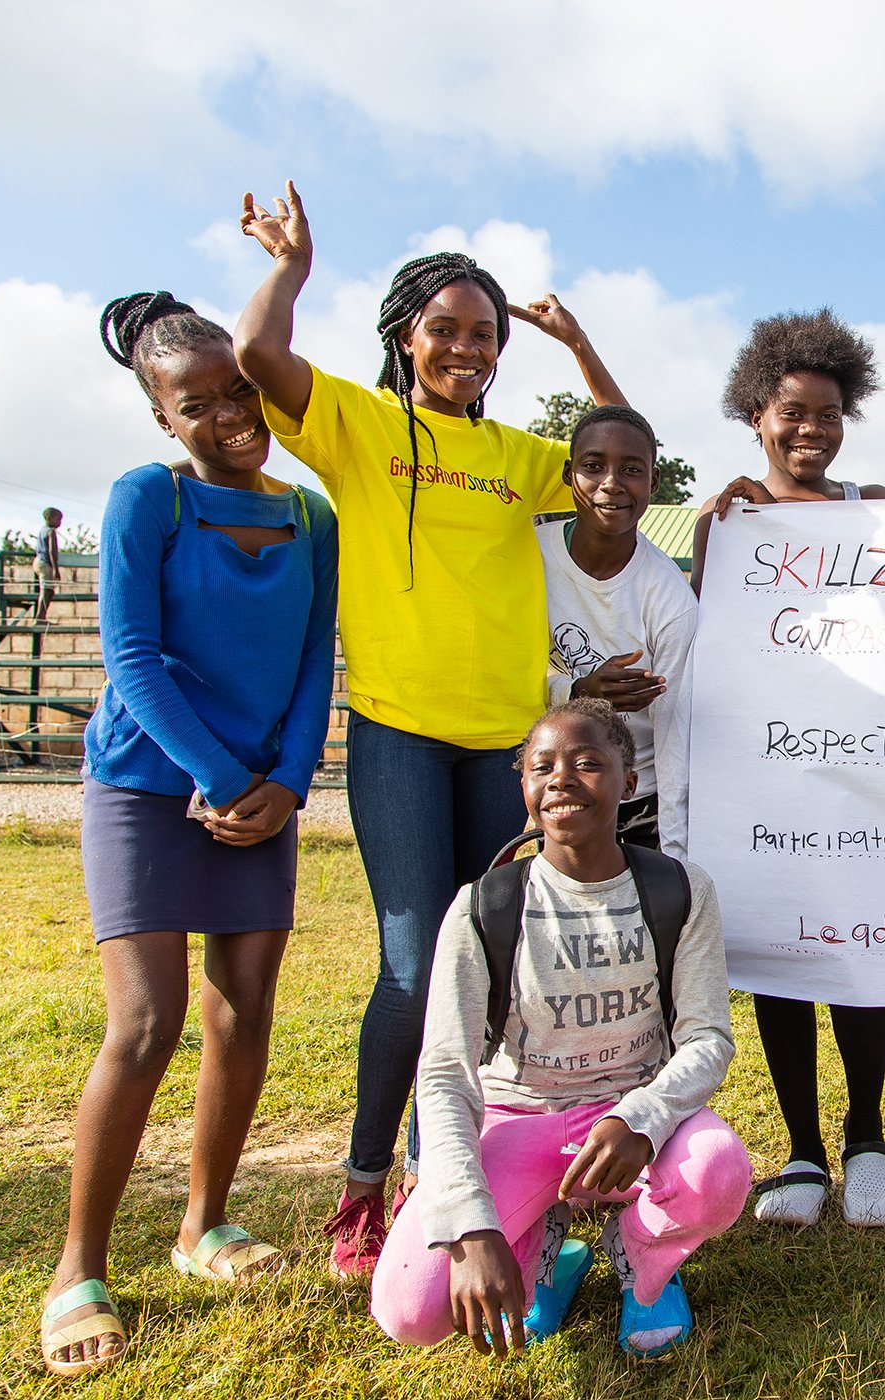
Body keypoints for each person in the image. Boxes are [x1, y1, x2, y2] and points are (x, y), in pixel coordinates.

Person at [233, 180, 631, 1277]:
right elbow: (259, 356)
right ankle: (366, 1185)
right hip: (403, 731)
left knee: (492, 974)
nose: (466, 347)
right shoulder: (359, 428)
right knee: (415, 968)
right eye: (446, 329)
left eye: (484, 335)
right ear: (405, 336)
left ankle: (435, 1175)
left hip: (506, 742)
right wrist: (291, 269)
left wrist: (579, 342)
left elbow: (616, 450)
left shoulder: (514, 453)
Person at [40, 292, 338, 1379]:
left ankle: (203, 1222)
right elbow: (132, 654)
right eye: (196, 403)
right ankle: (78, 1264)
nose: (228, 414)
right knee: (147, 1019)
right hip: (148, 784)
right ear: (162, 418)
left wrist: (290, 782)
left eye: (237, 389)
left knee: (245, 1005)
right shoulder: (146, 500)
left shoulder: (312, 517)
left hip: (264, 791)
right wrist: (216, 775)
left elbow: (316, 661)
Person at [368, 699, 750, 1361]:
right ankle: (540, 1244)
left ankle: (643, 1258)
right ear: (522, 786)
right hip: (519, 1119)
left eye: (589, 763)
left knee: (716, 1171)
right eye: (541, 766)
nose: (562, 778)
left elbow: (708, 1038)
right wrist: (470, 1227)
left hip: (626, 1124)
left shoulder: (680, 890)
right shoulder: (483, 906)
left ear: (629, 782)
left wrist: (641, 1118)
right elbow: (444, 1074)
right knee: (410, 1310)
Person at [692, 309, 885, 1229]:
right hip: (767, 771)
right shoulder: (729, 519)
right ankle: (803, 1151)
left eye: (828, 414)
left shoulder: (879, 508)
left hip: (864, 765)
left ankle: (867, 1136)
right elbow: (711, 632)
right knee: (781, 954)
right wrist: (716, 533)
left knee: (859, 948)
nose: (811, 431)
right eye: (792, 413)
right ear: (756, 414)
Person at [538, 404, 695, 858]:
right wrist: (578, 692)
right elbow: (503, 670)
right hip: (553, 786)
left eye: (631, 469)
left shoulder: (669, 598)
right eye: (593, 466)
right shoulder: (531, 559)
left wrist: (675, 851)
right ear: (569, 475)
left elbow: (674, 730)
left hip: (637, 793)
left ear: (654, 481)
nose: (611, 483)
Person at [35, 506, 64, 623]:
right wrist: (55, 569)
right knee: (46, 590)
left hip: (38, 560)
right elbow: (52, 551)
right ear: (50, 518)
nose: (60, 523)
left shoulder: (42, 530)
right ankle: (40, 617)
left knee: (49, 590)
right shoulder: (51, 532)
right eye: (58, 519)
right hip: (45, 562)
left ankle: (41, 616)